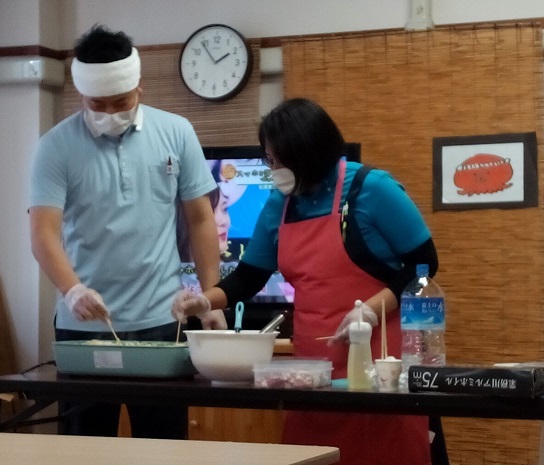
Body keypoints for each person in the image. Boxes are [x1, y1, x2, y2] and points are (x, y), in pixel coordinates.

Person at [172, 97, 443, 465]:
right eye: (270, 160)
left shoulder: (371, 188)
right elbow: (249, 277)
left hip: (379, 358)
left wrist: (372, 311)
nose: (275, 170)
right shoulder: (278, 203)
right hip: (311, 369)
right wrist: (205, 301)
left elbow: (423, 261)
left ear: (312, 153)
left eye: (282, 161)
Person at [28, 25, 223, 439]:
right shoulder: (55, 147)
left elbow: (201, 218)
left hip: (163, 322)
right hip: (85, 331)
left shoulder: (177, 132)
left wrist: (212, 297)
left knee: (164, 448)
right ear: (81, 95)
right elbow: (44, 233)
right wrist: (73, 290)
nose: (110, 114)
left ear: (140, 87)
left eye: (121, 102)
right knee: (84, 450)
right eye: (97, 104)